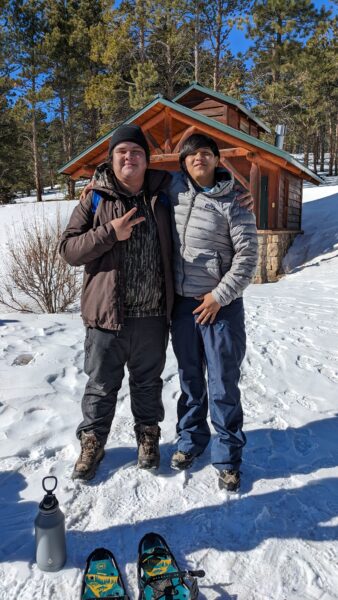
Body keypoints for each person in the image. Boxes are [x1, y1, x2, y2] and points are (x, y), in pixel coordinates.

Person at [59, 124, 174, 480]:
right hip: (106, 315)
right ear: (112, 159)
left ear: (146, 159)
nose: (130, 157)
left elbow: (206, 183)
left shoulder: (164, 193)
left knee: (148, 382)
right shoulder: (94, 197)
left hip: (153, 314)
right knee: (101, 384)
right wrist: (110, 232)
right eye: (122, 151)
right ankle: (92, 441)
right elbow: (68, 250)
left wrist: (235, 194)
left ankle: (148, 435)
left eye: (136, 151)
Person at [168, 134, 258, 492]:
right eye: (192, 155)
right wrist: (95, 181)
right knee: (190, 380)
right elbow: (128, 168)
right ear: (183, 162)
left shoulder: (235, 201)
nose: (198, 159)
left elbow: (248, 257)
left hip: (221, 307)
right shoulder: (172, 191)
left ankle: (228, 457)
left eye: (205, 153)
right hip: (183, 305)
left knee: (222, 383)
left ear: (217, 159)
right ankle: (191, 440)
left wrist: (219, 296)